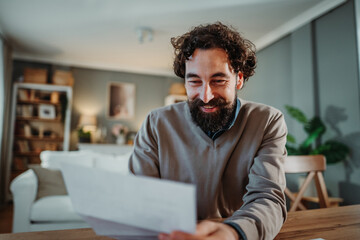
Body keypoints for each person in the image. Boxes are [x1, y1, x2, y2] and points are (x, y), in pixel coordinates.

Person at [129, 22, 287, 240]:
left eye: (218, 80)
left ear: (239, 79)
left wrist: (233, 233)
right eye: (194, 81)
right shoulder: (155, 123)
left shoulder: (268, 121)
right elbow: (140, 198)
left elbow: (268, 198)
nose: (206, 96)